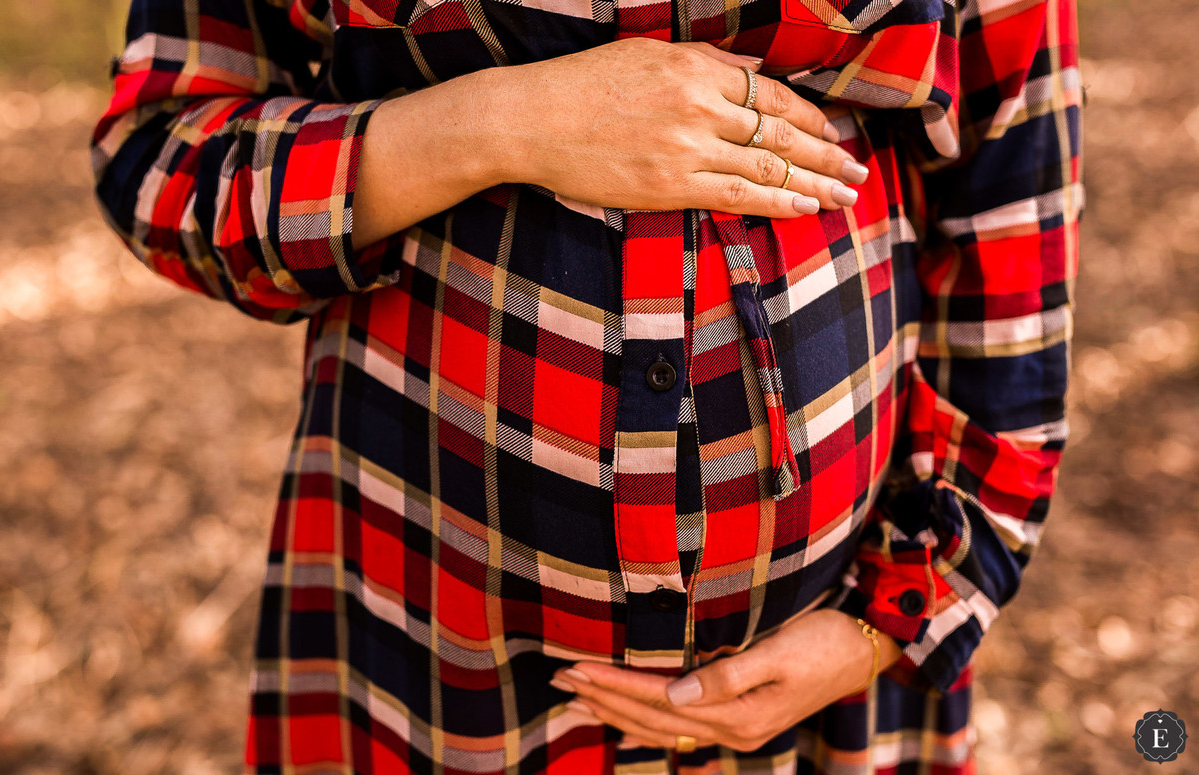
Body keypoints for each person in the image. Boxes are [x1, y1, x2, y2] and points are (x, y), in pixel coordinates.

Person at [90, 0, 1082, 769]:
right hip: (428, 645)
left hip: (835, 679)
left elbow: (1015, 188)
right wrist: (499, 122)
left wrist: (902, 611)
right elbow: (163, 161)